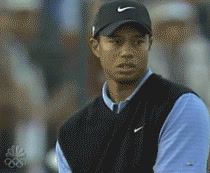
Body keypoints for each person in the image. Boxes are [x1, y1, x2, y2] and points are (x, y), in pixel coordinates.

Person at [56, 0, 210, 173]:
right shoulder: (72, 132)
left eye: (137, 41)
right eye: (116, 41)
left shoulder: (182, 105)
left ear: (149, 44)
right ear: (95, 46)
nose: (126, 52)